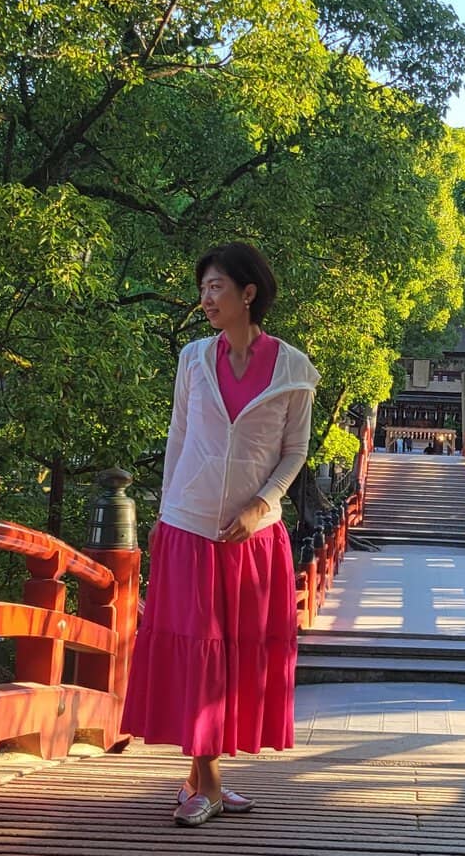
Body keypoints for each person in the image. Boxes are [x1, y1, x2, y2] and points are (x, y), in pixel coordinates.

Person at [120, 242, 319, 827]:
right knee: (196, 651)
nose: (205, 299)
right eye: (203, 288)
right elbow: (179, 438)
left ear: (247, 293)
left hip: (253, 537)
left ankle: (201, 781)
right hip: (187, 526)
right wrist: (165, 511)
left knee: (232, 657)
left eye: (215, 288)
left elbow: (294, 451)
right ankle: (206, 783)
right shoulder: (192, 358)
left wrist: (263, 505)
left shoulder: (293, 368)